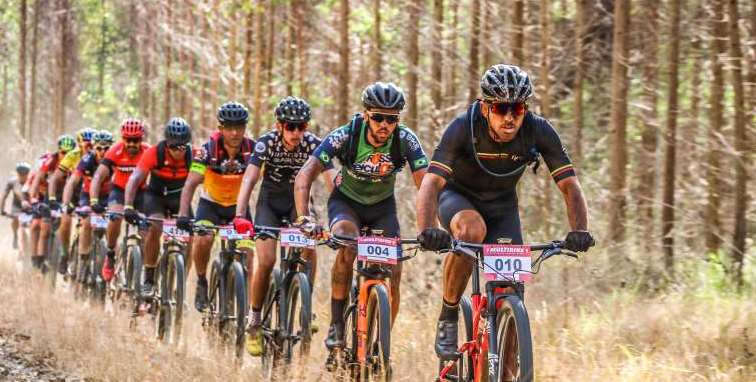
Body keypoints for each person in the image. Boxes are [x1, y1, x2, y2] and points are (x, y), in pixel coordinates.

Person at [414, 64, 594, 359]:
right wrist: (427, 229)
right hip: (458, 197)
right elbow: (431, 184)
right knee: (473, 231)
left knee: (511, 291)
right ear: (485, 108)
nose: (509, 117)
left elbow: (570, 186)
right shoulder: (463, 127)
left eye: (517, 108)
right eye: (500, 108)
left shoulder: (538, 130)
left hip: (502, 206)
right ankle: (448, 315)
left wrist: (579, 231)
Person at [293, 83, 429, 363]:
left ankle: (382, 345)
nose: (384, 125)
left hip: (382, 208)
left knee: (395, 270)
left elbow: (426, 185)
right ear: (366, 115)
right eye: (378, 117)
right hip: (347, 204)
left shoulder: (405, 139)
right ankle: (337, 324)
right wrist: (304, 217)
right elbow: (305, 175)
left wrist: (432, 227)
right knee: (347, 243)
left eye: (391, 119)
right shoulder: (346, 135)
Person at [232, 97, 335, 357]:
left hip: (298, 204)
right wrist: (240, 214)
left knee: (310, 246)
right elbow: (249, 179)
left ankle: (305, 304)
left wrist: (340, 214)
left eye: (301, 126)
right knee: (265, 261)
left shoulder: (313, 143)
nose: (296, 133)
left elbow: (331, 180)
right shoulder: (267, 142)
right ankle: (254, 321)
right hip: (270, 203)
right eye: (290, 127)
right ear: (280, 126)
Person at [175, 102, 256, 312]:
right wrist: (183, 213)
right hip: (210, 205)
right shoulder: (206, 150)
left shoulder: (253, 149)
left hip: (239, 207)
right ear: (220, 128)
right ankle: (202, 281)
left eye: (240, 127)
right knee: (204, 238)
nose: (235, 132)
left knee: (247, 251)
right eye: (229, 127)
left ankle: (246, 304)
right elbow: (191, 183)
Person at [124, 117, 198, 298]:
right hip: (155, 198)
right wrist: (128, 206)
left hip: (179, 200)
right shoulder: (154, 152)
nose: (178, 151)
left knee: (190, 236)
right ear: (166, 143)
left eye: (182, 147)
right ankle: (149, 278)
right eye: (173, 147)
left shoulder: (194, 154)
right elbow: (134, 179)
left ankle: (180, 287)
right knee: (155, 228)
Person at [90, 119, 149, 282]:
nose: (131, 144)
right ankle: (110, 254)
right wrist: (94, 200)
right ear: (122, 138)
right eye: (128, 140)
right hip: (119, 192)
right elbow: (97, 177)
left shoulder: (148, 151)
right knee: (115, 218)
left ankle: (144, 268)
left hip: (141, 192)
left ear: (142, 139)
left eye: (136, 140)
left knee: (146, 231)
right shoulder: (114, 152)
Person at [64, 129, 114, 270]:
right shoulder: (87, 159)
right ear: (93, 148)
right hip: (87, 196)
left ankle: (109, 256)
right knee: (86, 221)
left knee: (113, 222)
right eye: (99, 148)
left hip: (108, 196)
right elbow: (72, 182)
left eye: (107, 148)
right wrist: (66, 203)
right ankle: (83, 257)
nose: (103, 152)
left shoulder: (115, 160)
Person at [25, 134, 76, 271]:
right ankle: (35, 258)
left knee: (67, 222)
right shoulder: (51, 160)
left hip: (64, 196)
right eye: (63, 153)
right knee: (37, 225)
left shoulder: (75, 161)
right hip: (46, 196)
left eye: (68, 153)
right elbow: (37, 179)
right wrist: (32, 199)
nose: (65, 156)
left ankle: (65, 254)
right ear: (58, 151)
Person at [49, 127, 95, 274]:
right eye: (86, 144)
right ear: (79, 144)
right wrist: (53, 198)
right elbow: (55, 178)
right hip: (73, 192)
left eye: (91, 144)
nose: (90, 147)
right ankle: (64, 253)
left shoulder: (99, 155)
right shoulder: (72, 155)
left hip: (91, 191)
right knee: (66, 220)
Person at [0, 161, 32, 250]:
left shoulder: (32, 181)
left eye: (25, 174)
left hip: (30, 206)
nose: (22, 176)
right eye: (20, 174)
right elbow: (4, 196)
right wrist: (2, 210)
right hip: (16, 207)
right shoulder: (12, 182)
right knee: (15, 219)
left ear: (28, 174)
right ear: (17, 174)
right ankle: (15, 234)